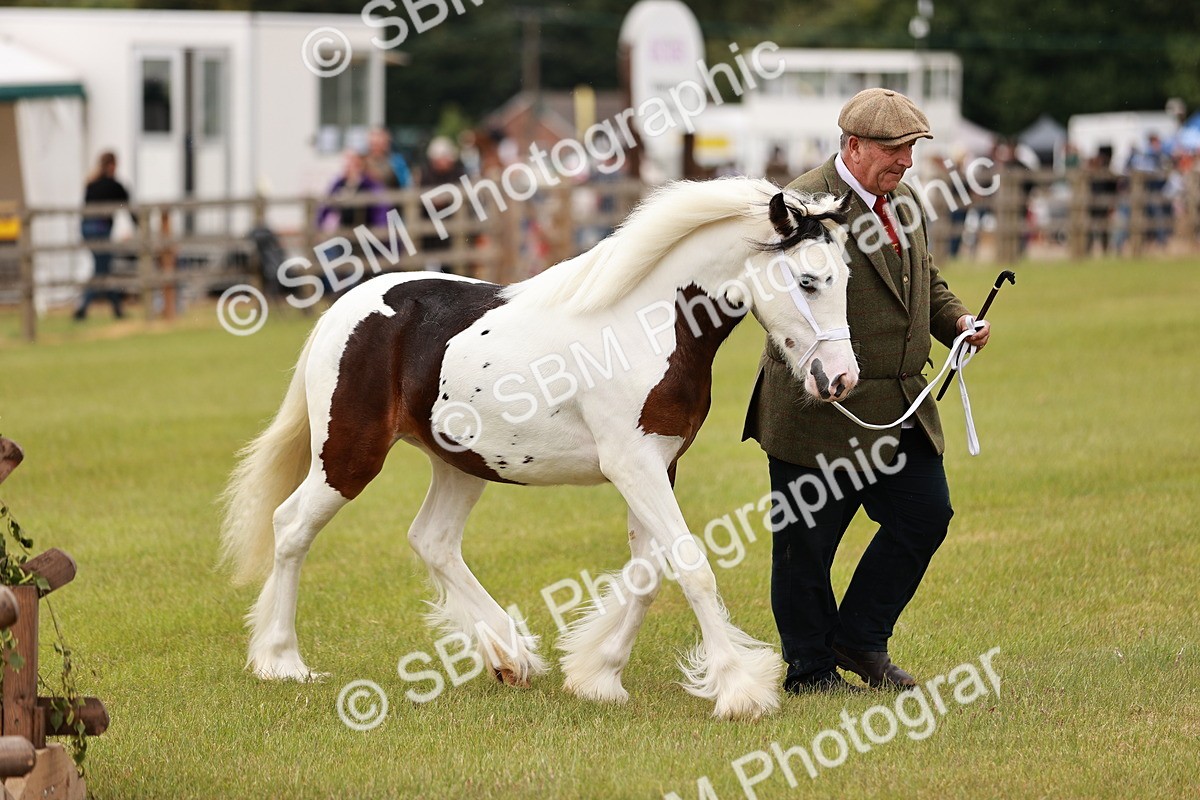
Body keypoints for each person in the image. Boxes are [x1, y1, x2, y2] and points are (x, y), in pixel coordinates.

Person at [742, 88, 991, 694]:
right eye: (894, 150)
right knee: (806, 551)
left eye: (911, 150)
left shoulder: (903, 201)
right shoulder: (800, 207)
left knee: (925, 516)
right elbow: (776, 300)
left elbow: (924, 277)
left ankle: (859, 639)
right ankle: (809, 671)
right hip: (820, 411)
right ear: (853, 146)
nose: (905, 162)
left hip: (901, 408)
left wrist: (956, 320)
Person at [75, 151, 132, 320]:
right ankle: (83, 307)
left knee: (104, 268)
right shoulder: (115, 186)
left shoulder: (91, 184)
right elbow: (129, 208)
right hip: (100, 230)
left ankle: (117, 309)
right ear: (112, 165)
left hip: (86, 229)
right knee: (102, 270)